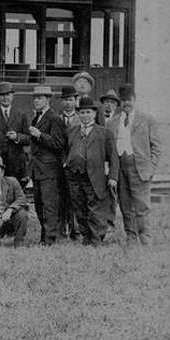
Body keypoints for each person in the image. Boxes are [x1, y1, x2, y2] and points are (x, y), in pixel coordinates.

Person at [107, 85, 162, 245]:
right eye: (123, 100)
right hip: (120, 168)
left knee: (141, 205)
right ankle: (131, 237)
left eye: (129, 100)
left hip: (140, 168)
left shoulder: (146, 119)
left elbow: (156, 147)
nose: (126, 103)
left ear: (135, 99)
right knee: (125, 205)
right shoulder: (113, 122)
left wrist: (150, 168)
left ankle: (145, 238)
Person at [63, 97, 119, 246]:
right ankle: (86, 238)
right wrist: (66, 164)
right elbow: (65, 150)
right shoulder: (72, 131)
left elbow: (114, 157)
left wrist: (113, 176)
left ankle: (96, 240)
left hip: (95, 177)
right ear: (78, 114)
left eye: (88, 112)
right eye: (82, 112)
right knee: (79, 209)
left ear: (94, 114)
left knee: (95, 209)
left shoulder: (104, 133)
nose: (85, 115)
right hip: (75, 176)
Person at [27, 85, 67, 245]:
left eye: (40, 98)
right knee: (39, 205)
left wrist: (40, 135)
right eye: (35, 98)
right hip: (38, 169)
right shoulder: (37, 118)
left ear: (48, 100)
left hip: (50, 170)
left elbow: (59, 143)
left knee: (49, 205)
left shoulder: (54, 118)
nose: (36, 100)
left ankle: (50, 239)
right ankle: (45, 238)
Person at [0, 82, 29, 185]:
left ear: (13, 95)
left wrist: (17, 137)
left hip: (16, 163)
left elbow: (29, 138)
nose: (5, 98)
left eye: (8, 94)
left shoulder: (21, 115)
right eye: (2, 95)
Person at [57, 85, 81, 241]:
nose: (68, 103)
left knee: (75, 197)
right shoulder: (56, 118)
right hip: (58, 164)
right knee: (60, 197)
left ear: (76, 101)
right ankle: (62, 230)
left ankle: (76, 230)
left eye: (70, 100)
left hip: (76, 164)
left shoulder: (82, 118)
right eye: (65, 100)